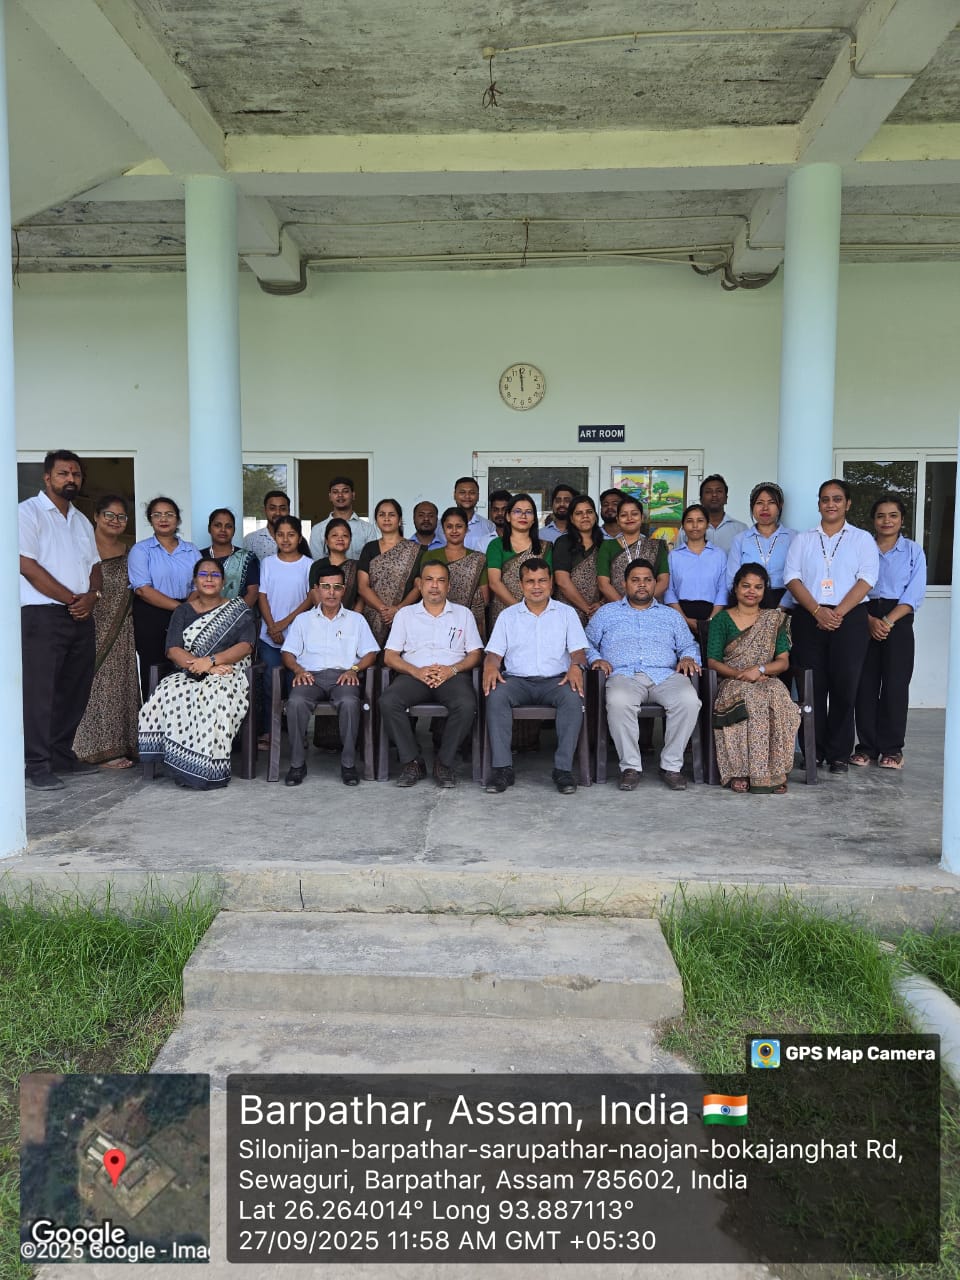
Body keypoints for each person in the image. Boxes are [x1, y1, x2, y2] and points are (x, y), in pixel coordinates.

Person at [19, 450, 102, 790]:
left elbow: (95, 566)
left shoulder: (81, 520)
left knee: (75, 689)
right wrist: (72, 599)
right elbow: (26, 565)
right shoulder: (27, 512)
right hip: (42, 615)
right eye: (63, 473)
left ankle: (60, 754)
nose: (71, 479)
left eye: (76, 474)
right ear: (47, 477)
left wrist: (92, 596)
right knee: (41, 693)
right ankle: (37, 765)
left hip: (80, 616)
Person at [784, 478, 879, 773]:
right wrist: (817, 611)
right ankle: (813, 751)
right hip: (809, 617)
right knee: (811, 688)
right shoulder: (803, 540)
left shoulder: (862, 539)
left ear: (847, 504)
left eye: (837, 499)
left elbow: (867, 579)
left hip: (849, 618)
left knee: (844, 687)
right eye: (825, 499)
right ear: (819, 504)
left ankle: (839, 753)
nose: (831, 504)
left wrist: (836, 613)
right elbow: (791, 577)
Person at [138, 558, 255, 789]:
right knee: (170, 691)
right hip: (189, 671)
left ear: (223, 582)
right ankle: (183, 762)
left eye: (215, 575)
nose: (209, 579)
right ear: (194, 581)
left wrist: (213, 661)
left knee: (216, 695)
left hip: (228, 672)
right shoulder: (182, 611)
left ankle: (205, 768)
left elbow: (245, 646)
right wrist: (205, 666)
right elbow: (173, 649)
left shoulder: (239, 611)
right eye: (203, 574)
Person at [586, 559, 702, 792]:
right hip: (623, 675)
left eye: (647, 580)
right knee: (619, 701)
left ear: (655, 584)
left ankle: (671, 766)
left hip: (665, 676)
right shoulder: (606, 613)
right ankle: (630, 767)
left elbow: (689, 645)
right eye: (635, 580)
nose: (642, 585)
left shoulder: (670, 615)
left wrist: (689, 658)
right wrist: (595, 659)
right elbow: (585, 643)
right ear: (624, 584)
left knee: (689, 701)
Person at [483, 558, 587, 795]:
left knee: (573, 698)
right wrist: (490, 666)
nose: (536, 586)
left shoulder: (566, 613)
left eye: (542, 580)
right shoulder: (508, 616)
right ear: (521, 585)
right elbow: (494, 654)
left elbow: (578, 652)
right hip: (517, 682)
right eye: (530, 581)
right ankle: (502, 769)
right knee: (496, 696)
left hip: (556, 681)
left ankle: (563, 770)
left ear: (551, 583)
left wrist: (576, 666)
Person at [380, 561, 483, 788]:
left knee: (466, 705)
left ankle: (444, 763)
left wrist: (451, 670)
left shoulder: (463, 614)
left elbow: (476, 654)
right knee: (388, 701)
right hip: (413, 675)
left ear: (449, 586)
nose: (434, 585)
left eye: (440, 580)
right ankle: (412, 761)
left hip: (452, 676)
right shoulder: (405, 614)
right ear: (419, 584)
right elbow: (390, 656)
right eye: (429, 580)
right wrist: (416, 671)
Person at [281, 564, 380, 787]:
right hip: (310, 676)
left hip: (343, 677)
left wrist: (354, 670)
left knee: (350, 702)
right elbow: (288, 652)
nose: (331, 592)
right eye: (326, 587)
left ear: (344, 590)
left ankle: (348, 764)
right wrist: (298, 670)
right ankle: (297, 765)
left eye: (337, 587)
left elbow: (371, 653)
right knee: (295, 703)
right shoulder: (303, 620)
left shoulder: (356, 620)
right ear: (317, 589)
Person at [707, 564, 800, 794]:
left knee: (780, 698)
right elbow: (713, 661)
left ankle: (774, 772)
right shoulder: (722, 620)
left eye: (758, 587)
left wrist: (760, 670)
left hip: (765, 678)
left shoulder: (774, 620)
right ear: (736, 588)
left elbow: (783, 662)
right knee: (752, 699)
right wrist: (740, 674)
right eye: (746, 586)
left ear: (764, 590)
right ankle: (740, 771)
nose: (752, 591)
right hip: (732, 681)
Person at [851, 495, 927, 771]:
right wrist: (869, 620)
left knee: (895, 686)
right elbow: (850, 585)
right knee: (865, 685)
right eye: (881, 515)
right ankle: (866, 747)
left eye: (893, 515)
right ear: (873, 520)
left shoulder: (913, 551)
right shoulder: (862, 548)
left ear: (902, 519)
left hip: (899, 619)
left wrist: (887, 621)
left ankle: (892, 749)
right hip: (864, 615)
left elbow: (914, 593)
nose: (887, 521)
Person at [73, 494, 141, 770]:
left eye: (121, 517)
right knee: (89, 689)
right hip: (87, 627)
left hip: (121, 631)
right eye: (109, 515)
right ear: (96, 516)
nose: (115, 521)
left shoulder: (132, 553)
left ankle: (122, 744)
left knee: (118, 689)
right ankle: (91, 750)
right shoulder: (81, 548)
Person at [128, 496, 200, 697]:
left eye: (169, 514)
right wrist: (179, 608)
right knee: (154, 668)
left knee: (186, 667)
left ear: (177, 519)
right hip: (152, 615)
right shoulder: (141, 550)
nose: (163, 519)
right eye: (157, 514)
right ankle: (153, 714)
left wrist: (185, 609)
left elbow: (199, 584)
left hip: (188, 613)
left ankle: (183, 714)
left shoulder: (191, 550)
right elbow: (142, 589)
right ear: (150, 519)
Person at [257, 515, 312, 747]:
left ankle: (298, 733)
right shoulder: (268, 563)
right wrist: (272, 626)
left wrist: (283, 624)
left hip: (298, 638)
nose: (286, 539)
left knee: (295, 684)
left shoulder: (308, 565)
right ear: (274, 537)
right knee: (270, 682)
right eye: (281, 535)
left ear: (299, 538)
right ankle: (270, 731)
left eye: (291, 535)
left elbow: (310, 600)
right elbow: (262, 596)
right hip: (269, 637)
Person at [357, 498, 422, 646]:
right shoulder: (369, 548)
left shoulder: (415, 550)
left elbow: (419, 586)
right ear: (376, 520)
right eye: (382, 515)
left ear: (399, 520)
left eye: (391, 514)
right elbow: (362, 586)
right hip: (373, 616)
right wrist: (384, 610)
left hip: (404, 616)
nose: (386, 518)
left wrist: (397, 610)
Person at [419, 506, 489, 639]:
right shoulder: (430, 555)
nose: (454, 531)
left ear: (466, 529)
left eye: (459, 526)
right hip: (434, 619)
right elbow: (423, 589)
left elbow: (484, 597)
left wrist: (461, 615)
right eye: (449, 526)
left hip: (468, 623)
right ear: (443, 529)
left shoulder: (478, 559)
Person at [726, 483, 796, 608]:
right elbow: (732, 579)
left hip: (783, 601)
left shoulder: (793, 537)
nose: (765, 508)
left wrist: (782, 607)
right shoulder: (740, 539)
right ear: (752, 506)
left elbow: (798, 576)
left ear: (780, 505)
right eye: (759, 503)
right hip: (748, 601)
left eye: (771, 502)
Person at [486, 492, 552, 625]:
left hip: (538, 612)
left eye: (528, 512)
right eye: (517, 511)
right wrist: (520, 610)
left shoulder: (545, 547)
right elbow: (494, 582)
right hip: (504, 611)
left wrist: (533, 611)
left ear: (534, 519)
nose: (523, 516)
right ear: (508, 516)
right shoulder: (496, 545)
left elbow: (549, 583)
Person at [665, 503, 728, 636]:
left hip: (712, 614)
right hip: (680, 614)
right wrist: (684, 619)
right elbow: (669, 591)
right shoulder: (673, 556)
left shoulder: (719, 555)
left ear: (707, 524)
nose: (695, 526)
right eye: (689, 521)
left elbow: (723, 590)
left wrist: (711, 620)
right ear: (683, 526)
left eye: (700, 521)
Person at [597, 495, 669, 602]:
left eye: (634, 514)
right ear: (617, 520)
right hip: (617, 607)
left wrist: (643, 604)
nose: (629, 518)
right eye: (623, 515)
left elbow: (663, 581)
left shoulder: (657, 546)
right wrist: (624, 606)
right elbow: (603, 584)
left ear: (642, 517)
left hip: (651, 608)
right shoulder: (607, 546)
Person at [553, 494, 603, 624]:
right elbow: (562, 581)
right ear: (571, 518)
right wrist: (587, 610)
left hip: (598, 612)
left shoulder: (604, 544)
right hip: (567, 612)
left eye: (589, 512)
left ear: (595, 516)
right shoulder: (563, 543)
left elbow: (609, 580)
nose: (585, 516)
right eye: (579, 513)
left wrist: (601, 604)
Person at [201, 508, 260, 607]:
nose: (223, 530)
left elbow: (253, 593)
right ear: (209, 529)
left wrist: (234, 614)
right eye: (217, 525)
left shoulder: (246, 558)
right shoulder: (198, 556)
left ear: (234, 530)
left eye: (228, 526)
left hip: (238, 614)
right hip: (203, 614)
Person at [308, 476, 378, 560]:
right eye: (335, 492)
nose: (340, 495)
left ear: (353, 495)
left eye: (345, 491)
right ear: (330, 496)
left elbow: (371, 562)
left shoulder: (368, 529)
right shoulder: (318, 530)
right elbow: (317, 563)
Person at [675, 475, 747, 552]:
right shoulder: (687, 530)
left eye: (719, 491)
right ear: (701, 499)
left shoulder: (741, 530)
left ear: (726, 498)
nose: (714, 495)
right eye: (708, 492)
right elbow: (677, 555)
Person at [309, 517, 361, 610]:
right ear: (326, 540)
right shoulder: (318, 566)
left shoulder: (357, 567)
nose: (340, 539)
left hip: (351, 616)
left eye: (345, 536)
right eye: (334, 535)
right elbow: (315, 594)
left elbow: (361, 597)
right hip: (322, 616)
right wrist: (327, 616)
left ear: (350, 540)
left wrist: (352, 617)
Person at [449, 476, 497, 552]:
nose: (467, 496)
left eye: (472, 493)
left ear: (478, 496)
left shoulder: (489, 526)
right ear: (454, 495)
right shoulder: (440, 526)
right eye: (462, 492)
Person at [242, 490, 290, 561]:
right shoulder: (250, 540)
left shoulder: (296, 540)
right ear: (265, 510)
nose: (278, 513)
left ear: (288, 511)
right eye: (272, 508)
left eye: (283, 509)